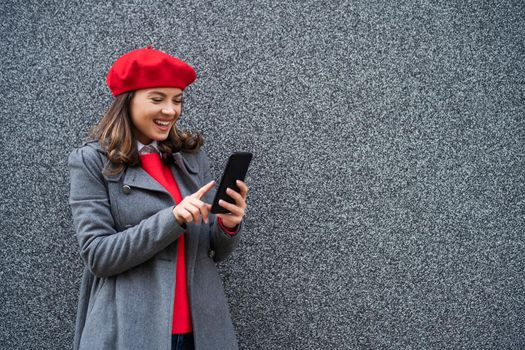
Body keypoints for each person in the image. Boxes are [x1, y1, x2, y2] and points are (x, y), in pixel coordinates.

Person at [67, 46, 248, 350]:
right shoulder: (90, 162)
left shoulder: (189, 158)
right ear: (127, 102)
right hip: (131, 329)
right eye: (157, 99)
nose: (170, 110)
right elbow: (98, 256)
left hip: (202, 327)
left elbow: (213, 251)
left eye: (177, 100)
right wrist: (172, 218)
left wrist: (228, 225)